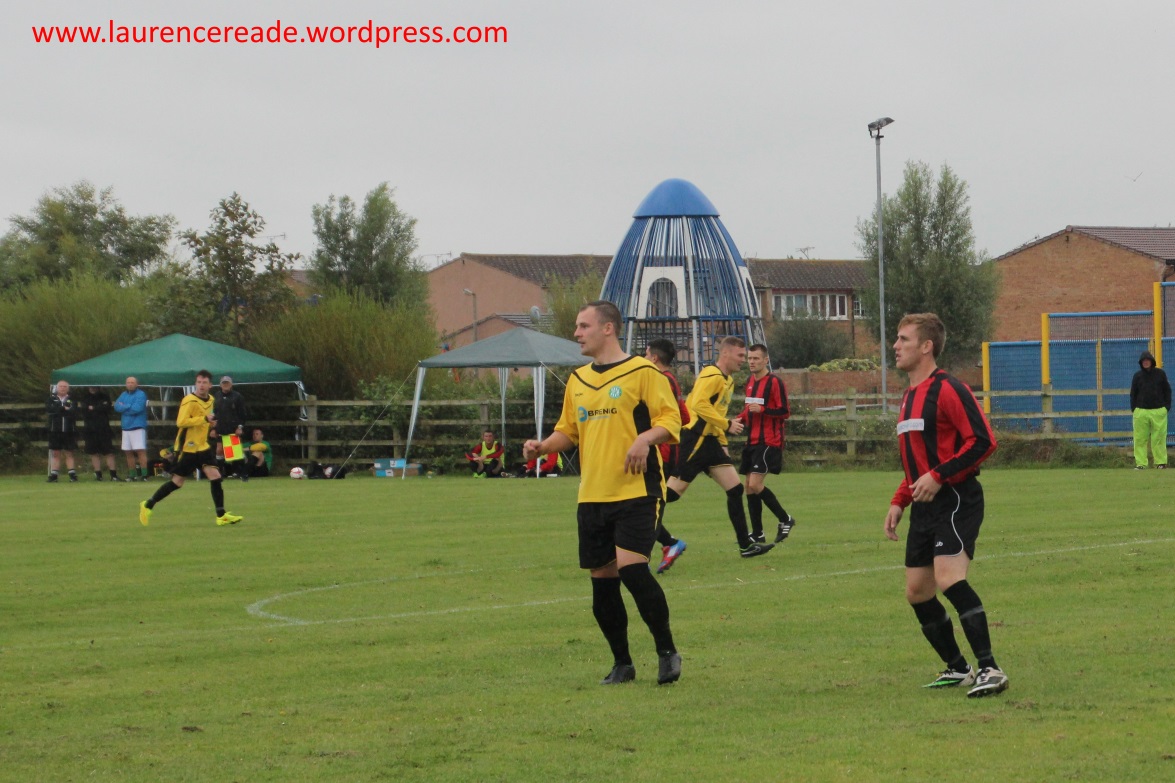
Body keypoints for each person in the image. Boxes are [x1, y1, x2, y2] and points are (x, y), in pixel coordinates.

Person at [522, 300, 683, 686]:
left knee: (632, 569)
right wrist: (543, 447)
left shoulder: (643, 372)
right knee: (603, 581)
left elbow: (671, 419)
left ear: (608, 328)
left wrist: (645, 439)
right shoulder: (578, 380)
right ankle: (622, 664)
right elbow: (569, 431)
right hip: (592, 494)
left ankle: (667, 652)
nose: (576, 333)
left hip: (637, 489)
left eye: (583, 326)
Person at [883, 313, 1006, 698]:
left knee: (949, 578)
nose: (895, 346)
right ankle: (958, 668)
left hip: (955, 498)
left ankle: (990, 669)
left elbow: (983, 441)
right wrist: (900, 500)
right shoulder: (908, 397)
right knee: (917, 592)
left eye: (903, 339)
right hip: (924, 505)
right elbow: (917, 461)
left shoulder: (950, 389)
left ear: (926, 346)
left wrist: (938, 476)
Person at [664, 336, 773, 559]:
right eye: (740, 355)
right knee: (671, 494)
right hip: (695, 440)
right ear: (725, 353)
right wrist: (726, 425)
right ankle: (634, 512)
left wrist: (722, 443)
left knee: (735, 489)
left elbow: (717, 413)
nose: (743, 360)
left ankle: (746, 546)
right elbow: (698, 404)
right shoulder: (711, 375)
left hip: (711, 442)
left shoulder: (728, 380)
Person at [138, 370, 243, 528]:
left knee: (215, 476)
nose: (201, 385)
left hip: (203, 446)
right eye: (199, 382)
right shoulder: (189, 400)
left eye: (204, 382)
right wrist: (204, 419)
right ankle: (148, 504)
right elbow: (181, 422)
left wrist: (211, 424)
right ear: (196, 384)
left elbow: (206, 420)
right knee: (177, 482)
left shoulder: (211, 400)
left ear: (210, 385)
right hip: (188, 447)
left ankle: (221, 516)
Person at [736, 344, 797, 544]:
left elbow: (785, 411)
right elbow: (748, 410)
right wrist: (737, 420)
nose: (752, 362)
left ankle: (785, 519)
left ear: (765, 360)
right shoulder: (750, 382)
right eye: (749, 358)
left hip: (769, 441)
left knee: (755, 483)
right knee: (748, 487)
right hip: (752, 441)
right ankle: (758, 533)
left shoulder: (775, 382)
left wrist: (763, 410)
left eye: (756, 358)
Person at [644, 338, 689, 574]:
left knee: (649, 506)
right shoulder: (670, 380)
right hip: (662, 451)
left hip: (662, 452)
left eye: (646, 354)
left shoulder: (662, 380)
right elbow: (685, 416)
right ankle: (669, 544)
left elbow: (679, 418)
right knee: (643, 504)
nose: (643, 358)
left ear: (654, 358)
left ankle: (640, 559)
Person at [1130, 350, 1170, 470]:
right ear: (1141, 363)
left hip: (1159, 411)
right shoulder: (1137, 376)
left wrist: (1166, 408)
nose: (1146, 362)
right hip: (1141, 411)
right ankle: (1141, 464)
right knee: (1140, 439)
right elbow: (1133, 393)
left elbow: (1167, 391)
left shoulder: (1160, 374)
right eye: (1143, 361)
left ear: (1152, 361)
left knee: (1159, 438)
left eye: (1147, 360)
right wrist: (1134, 409)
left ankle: (1161, 463)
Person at [113, 376, 150, 481]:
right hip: (126, 427)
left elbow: (137, 409)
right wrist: (128, 406)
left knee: (140, 451)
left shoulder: (141, 394)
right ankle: (132, 475)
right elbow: (116, 406)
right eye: (128, 382)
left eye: (132, 382)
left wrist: (124, 406)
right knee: (128, 452)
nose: (130, 384)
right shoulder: (123, 394)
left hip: (137, 426)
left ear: (137, 384)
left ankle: (144, 475)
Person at [81, 386, 121, 481]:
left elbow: (106, 408)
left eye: (94, 387)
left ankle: (113, 475)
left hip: (104, 429)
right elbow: (84, 410)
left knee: (109, 452)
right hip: (90, 430)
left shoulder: (104, 397)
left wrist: (93, 408)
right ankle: (98, 475)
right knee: (94, 453)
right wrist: (98, 407)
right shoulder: (85, 398)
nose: (92, 388)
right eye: (91, 387)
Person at [213, 376, 248, 477]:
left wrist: (240, 427)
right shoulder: (216, 396)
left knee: (235, 451)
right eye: (224, 383)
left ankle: (240, 472)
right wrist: (213, 428)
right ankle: (219, 473)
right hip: (221, 428)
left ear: (231, 384)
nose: (226, 385)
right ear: (220, 385)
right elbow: (214, 413)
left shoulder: (237, 396)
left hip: (233, 428)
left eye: (227, 383)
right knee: (219, 449)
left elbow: (242, 414)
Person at [46, 380, 79, 483]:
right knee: (56, 453)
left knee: (69, 452)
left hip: (69, 431)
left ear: (68, 388)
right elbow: (51, 410)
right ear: (57, 388)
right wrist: (63, 408)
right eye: (61, 386)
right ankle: (54, 475)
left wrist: (62, 410)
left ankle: (72, 475)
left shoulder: (72, 400)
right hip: (55, 430)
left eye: (65, 386)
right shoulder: (51, 399)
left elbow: (73, 411)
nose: (63, 388)